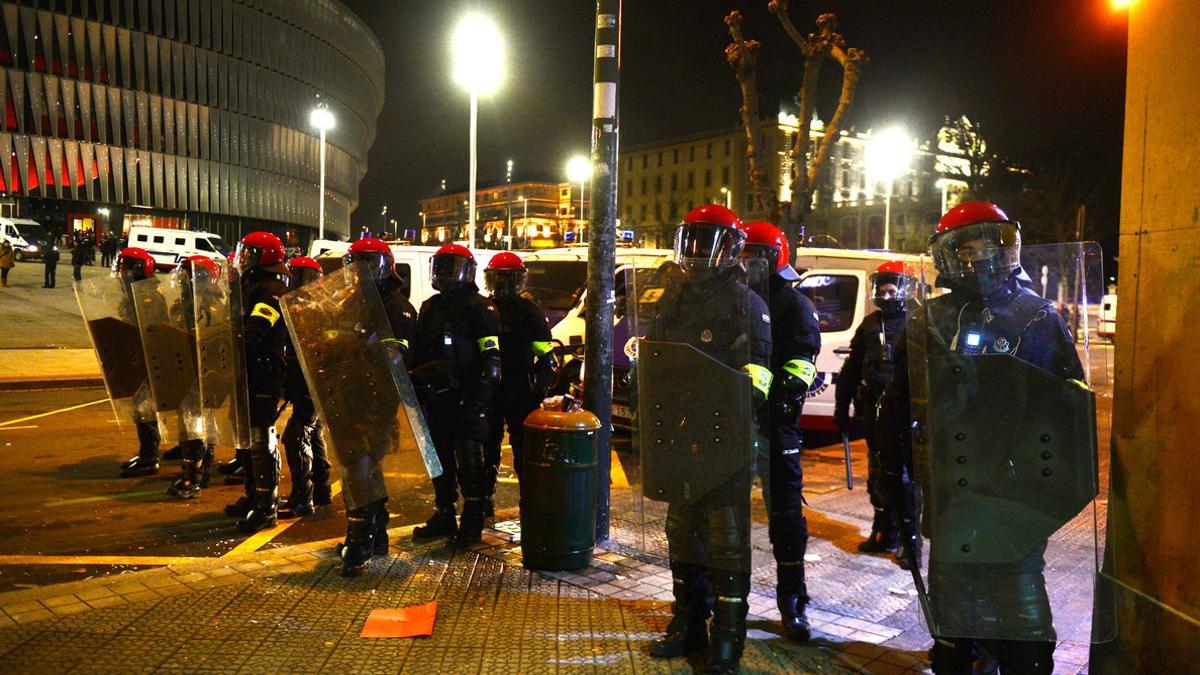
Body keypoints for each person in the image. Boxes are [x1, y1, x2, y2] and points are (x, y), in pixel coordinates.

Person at [878, 202, 1086, 674]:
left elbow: (1070, 406)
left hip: (1018, 495)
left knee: (1025, 634)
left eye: (987, 245)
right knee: (953, 630)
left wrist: (1057, 480)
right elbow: (898, 402)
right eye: (965, 248)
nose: (978, 258)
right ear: (948, 256)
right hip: (952, 488)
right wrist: (890, 472)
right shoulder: (929, 319)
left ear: (1005, 246)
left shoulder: (1037, 317)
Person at [644, 205, 772, 673]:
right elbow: (655, 364)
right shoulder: (670, 299)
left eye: (709, 242)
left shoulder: (745, 304)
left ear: (732, 249)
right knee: (682, 536)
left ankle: (727, 641)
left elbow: (757, 375)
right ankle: (687, 624)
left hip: (726, 442)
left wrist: (729, 412)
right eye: (692, 241)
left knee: (727, 541)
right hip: (679, 439)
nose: (698, 253)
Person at [738, 220, 821, 643]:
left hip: (776, 427)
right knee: (726, 519)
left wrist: (783, 397)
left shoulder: (794, 305)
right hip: (732, 424)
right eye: (745, 253)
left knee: (786, 519)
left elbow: (802, 360)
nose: (750, 262)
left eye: (758, 255)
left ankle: (794, 602)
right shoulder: (731, 299)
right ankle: (728, 601)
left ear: (776, 259)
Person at [333, 238, 419, 576]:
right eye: (356, 264)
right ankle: (377, 534)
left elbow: (397, 357)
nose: (361, 272)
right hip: (348, 394)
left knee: (361, 466)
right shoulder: (350, 304)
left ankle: (359, 544)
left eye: (369, 264)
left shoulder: (395, 308)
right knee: (364, 465)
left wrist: (365, 351)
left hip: (376, 399)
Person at [409, 244, 501, 548]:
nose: (446, 275)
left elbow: (492, 359)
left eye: (453, 267)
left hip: (468, 396)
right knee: (439, 461)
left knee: (470, 462)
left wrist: (479, 401)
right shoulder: (431, 306)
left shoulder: (480, 307)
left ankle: (472, 520)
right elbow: (419, 349)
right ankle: (444, 513)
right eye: (442, 267)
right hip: (436, 397)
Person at [835, 261, 915, 557]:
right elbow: (852, 369)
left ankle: (910, 542)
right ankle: (883, 532)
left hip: (904, 416)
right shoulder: (870, 325)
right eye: (881, 290)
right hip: (874, 414)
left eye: (892, 289)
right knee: (878, 474)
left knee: (904, 478)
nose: (886, 295)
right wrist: (841, 409)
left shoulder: (916, 322)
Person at [223, 232, 291, 533]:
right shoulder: (251, 286)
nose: (244, 258)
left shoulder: (271, 291)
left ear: (263, 257)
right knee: (248, 441)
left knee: (261, 440)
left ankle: (267, 506)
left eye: (250, 253)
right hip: (247, 370)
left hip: (263, 372)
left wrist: (232, 336)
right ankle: (252, 495)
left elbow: (257, 329)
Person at [481, 252, 556, 511]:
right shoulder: (484, 308)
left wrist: (537, 393)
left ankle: (530, 502)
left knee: (523, 450)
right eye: (498, 278)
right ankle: (483, 499)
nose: (502, 284)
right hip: (490, 389)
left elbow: (547, 358)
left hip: (517, 390)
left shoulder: (528, 312)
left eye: (507, 279)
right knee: (486, 446)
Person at [278, 256, 331, 520]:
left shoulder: (316, 308)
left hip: (313, 382)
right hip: (306, 383)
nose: (294, 282)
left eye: (299, 277)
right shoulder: (298, 306)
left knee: (295, 436)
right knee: (314, 432)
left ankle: (303, 497)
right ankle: (321, 490)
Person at [164, 256, 220, 499]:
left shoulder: (207, 304)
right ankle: (202, 466)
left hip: (199, 372)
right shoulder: (188, 301)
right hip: (185, 369)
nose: (183, 279)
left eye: (190, 274)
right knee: (195, 422)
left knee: (194, 424)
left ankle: (192, 477)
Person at [113, 247, 165, 477]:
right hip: (137, 359)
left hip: (148, 361)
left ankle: (149, 457)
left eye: (125, 267)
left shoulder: (148, 296)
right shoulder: (134, 294)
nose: (121, 272)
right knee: (140, 410)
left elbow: (152, 330)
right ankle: (146, 452)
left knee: (146, 410)